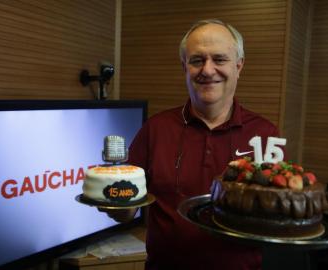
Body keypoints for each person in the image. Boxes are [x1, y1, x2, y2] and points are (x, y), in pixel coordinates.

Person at [100, 19, 280, 269]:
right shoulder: (156, 129)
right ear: (184, 66)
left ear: (239, 66)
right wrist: (115, 205)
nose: (207, 70)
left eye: (219, 59)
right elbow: (128, 206)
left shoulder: (265, 134)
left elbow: (274, 215)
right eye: (197, 60)